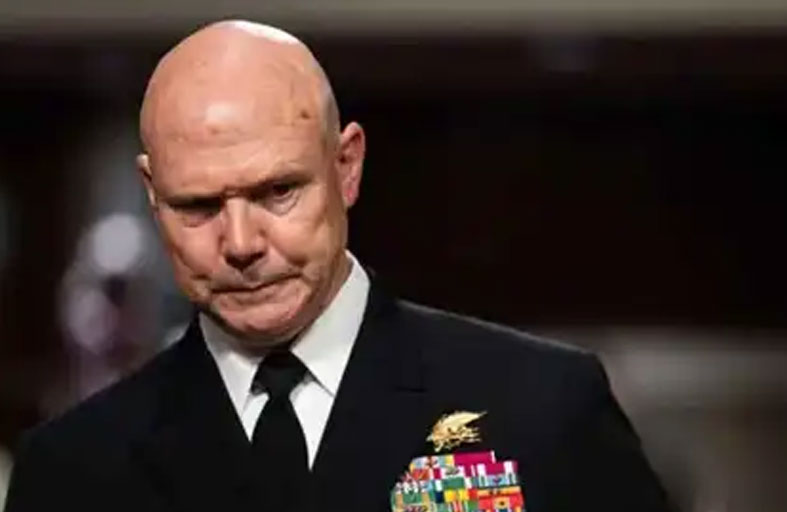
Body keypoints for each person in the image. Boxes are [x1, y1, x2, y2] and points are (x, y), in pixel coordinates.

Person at [4, 20, 673, 512]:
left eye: (277, 192)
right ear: (153, 195)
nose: (241, 243)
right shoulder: (70, 473)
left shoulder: (543, 410)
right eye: (198, 206)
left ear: (346, 166)